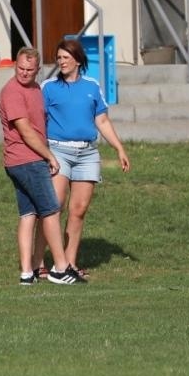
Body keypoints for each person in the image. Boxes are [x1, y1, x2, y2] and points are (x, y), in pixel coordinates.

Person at [40, 38, 131, 281]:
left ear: (78, 60)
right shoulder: (48, 87)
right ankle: (41, 262)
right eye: (59, 58)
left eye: (66, 58)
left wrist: (119, 149)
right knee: (54, 207)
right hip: (58, 152)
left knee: (78, 210)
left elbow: (102, 121)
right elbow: (38, 121)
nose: (61, 62)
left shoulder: (92, 86)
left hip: (87, 154)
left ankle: (69, 264)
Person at [0, 47, 78, 286]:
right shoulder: (12, 92)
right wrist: (50, 156)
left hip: (25, 160)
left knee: (28, 214)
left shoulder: (35, 89)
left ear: (37, 70)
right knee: (51, 210)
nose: (24, 73)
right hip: (26, 159)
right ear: (15, 66)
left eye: (29, 70)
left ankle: (26, 273)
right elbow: (26, 132)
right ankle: (60, 268)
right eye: (20, 68)